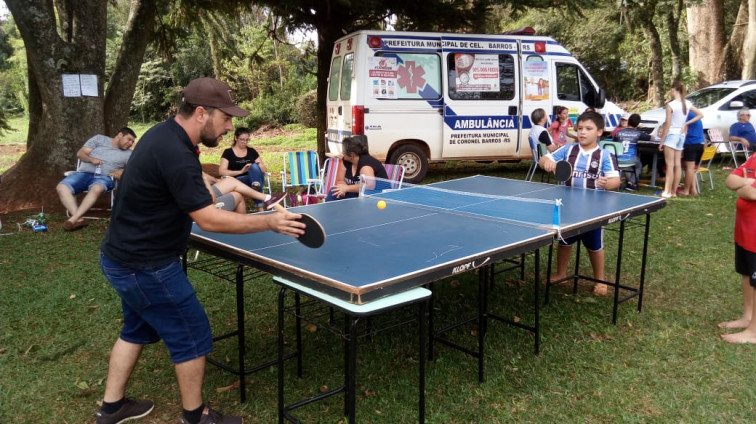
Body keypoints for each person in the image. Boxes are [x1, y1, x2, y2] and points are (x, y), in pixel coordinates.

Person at [96, 77, 305, 424]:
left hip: (122, 257)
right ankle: (196, 417)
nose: (229, 127)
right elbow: (208, 219)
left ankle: (112, 408)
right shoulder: (176, 151)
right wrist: (268, 222)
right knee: (191, 335)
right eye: (225, 119)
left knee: (134, 329)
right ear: (200, 114)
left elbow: (183, 194)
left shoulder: (164, 135)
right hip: (145, 266)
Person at [538, 110, 621, 296]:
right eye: (580, 128)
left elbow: (616, 181)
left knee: (594, 245)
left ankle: (600, 279)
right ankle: (560, 273)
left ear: (599, 132)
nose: (583, 132)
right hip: (567, 206)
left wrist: (608, 184)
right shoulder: (568, 149)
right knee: (565, 241)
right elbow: (545, 158)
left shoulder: (604, 156)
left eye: (588, 129)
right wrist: (547, 164)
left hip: (593, 209)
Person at [56, 128, 136, 231]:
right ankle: (79, 219)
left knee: (97, 188)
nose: (130, 143)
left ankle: (73, 219)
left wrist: (121, 172)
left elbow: (132, 172)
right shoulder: (99, 139)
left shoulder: (129, 154)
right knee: (61, 187)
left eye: (132, 142)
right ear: (120, 135)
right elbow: (80, 154)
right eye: (129, 139)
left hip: (105, 177)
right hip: (83, 174)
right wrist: (91, 159)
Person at [718, 154, 756, 343]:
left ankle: (754, 332)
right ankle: (747, 317)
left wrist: (745, 187)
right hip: (745, 230)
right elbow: (730, 180)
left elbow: (749, 193)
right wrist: (745, 183)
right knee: (747, 273)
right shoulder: (755, 157)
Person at [659, 81, 703, 198]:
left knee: (670, 165)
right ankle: (673, 191)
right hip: (681, 136)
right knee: (678, 165)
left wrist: (662, 141)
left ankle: (667, 191)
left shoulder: (671, 105)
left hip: (672, 135)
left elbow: (667, 125)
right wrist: (686, 123)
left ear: (673, 90)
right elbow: (700, 114)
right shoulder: (687, 103)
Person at [327, 135, 388, 201]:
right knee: (334, 192)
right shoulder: (346, 161)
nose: (342, 153)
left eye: (344, 151)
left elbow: (370, 186)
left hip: (377, 195)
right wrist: (342, 189)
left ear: (352, 155)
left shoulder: (365, 164)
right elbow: (341, 180)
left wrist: (347, 188)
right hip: (358, 193)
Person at [202, 173, 285, 214]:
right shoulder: (189, 157)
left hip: (202, 191)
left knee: (230, 181)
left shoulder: (190, 156)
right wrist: (205, 180)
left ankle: (267, 198)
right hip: (198, 203)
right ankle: (241, 234)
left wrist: (218, 181)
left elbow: (203, 175)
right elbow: (212, 199)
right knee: (238, 196)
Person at [613, 113, 653, 191]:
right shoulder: (638, 133)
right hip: (630, 159)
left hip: (617, 159)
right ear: (637, 124)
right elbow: (652, 138)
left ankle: (625, 181)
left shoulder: (618, 133)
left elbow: (615, 142)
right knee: (639, 165)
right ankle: (631, 183)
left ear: (628, 121)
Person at [679, 110, 705, 196]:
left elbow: (683, 131)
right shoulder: (694, 114)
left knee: (689, 168)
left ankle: (686, 191)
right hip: (700, 143)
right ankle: (694, 190)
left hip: (691, 142)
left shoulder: (685, 115)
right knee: (691, 168)